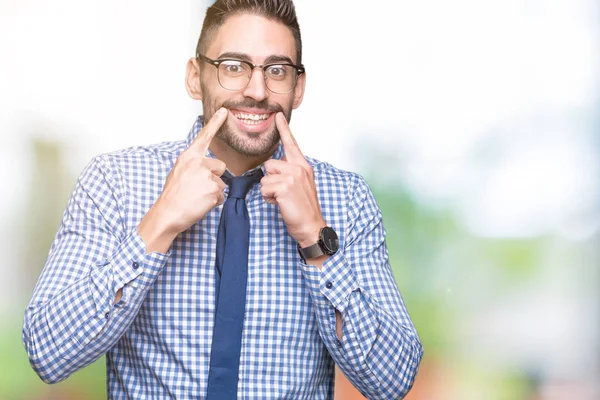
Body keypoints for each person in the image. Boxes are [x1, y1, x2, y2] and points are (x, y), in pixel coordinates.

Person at [22, 0, 423, 398]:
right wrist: (157, 225)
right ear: (195, 77)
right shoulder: (116, 182)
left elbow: (392, 382)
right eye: (234, 66)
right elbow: (48, 353)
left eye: (277, 70)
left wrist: (317, 243)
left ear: (298, 88)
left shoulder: (346, 199)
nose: (257, 90)